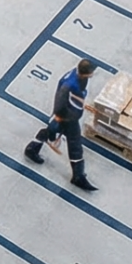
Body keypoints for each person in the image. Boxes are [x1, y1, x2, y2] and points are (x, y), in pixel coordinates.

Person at [27, 57, 100, 192]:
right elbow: (60, 103)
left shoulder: (77, 76)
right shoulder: (70, 85)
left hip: (69, 115)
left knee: (51, 132)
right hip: (67, 118)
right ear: (88, 73)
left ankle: (32, 148)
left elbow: (73, 97)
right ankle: (78, 176)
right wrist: (60, 118)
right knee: (75, 144)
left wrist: (82, 105)